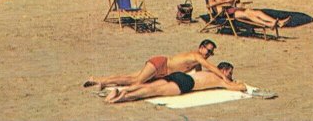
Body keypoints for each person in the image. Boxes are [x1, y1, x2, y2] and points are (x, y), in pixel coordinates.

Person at [83, 40, 233, 90]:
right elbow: (211, 67)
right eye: (208, 50)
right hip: (160, 63)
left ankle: (98, 79)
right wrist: (223, 78)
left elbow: (200, 74)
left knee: (131, 77)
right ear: (201, 47)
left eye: (211, 53)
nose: (208, 54)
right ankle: (103, 82)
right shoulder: (196, 55)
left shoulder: (196, 61)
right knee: (137, 81)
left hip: (163, 71)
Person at [105, 61, 247, 104]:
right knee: (154, 92)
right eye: (230, 72)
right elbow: (237, 87)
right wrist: (239, 83)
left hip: (179, 75)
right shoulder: (220, 78)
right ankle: (122, 97)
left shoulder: (208, 72)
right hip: (187, 82)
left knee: (149, 85)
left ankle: (125, 89)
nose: (231, 75)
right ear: (224, 70)